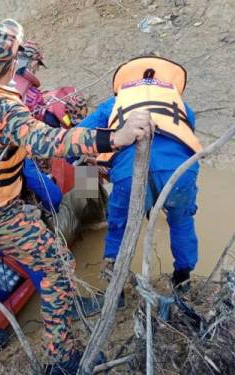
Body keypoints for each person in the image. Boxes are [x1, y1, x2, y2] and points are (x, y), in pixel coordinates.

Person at [0, 19, 153, 374]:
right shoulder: (5, 109)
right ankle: (60, 358)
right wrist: (113, 138)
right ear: (14, 67)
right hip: (1, 211)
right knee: (57, 266)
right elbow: (52, 148)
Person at [77, 56, 202, 292]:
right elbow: (186, 133)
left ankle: (113, 277)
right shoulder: (178, 102)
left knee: (118, 226)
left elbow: (75, 138)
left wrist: (88, 158)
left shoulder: (112, 103)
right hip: (180, 171)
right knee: (182, 220)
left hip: (127, 170)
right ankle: (183, 279)